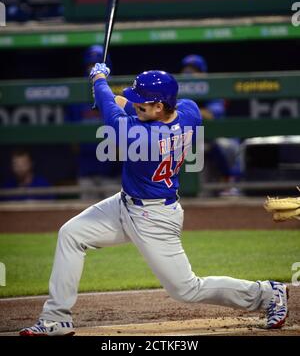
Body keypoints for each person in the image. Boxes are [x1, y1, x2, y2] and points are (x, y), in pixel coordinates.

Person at [20, 64, 288, 336]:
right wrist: (115, 101)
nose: (137, 106)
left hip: (154, 218)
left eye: (143, 104)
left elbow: (115, 117)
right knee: (71, 234)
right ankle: (56, 319)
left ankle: (267, 294)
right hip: (124, 204)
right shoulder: (189, 112)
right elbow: (129, 108)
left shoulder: (142, 137)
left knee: (186, 289)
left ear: (159, 106)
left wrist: (99, 82)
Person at [65, 45, 122, 200]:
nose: (92, 69)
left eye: (95, 65)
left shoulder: (118, 96)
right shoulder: (76, 97)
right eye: (90, 65)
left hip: (113, 171)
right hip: (86, 169)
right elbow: (72, 137)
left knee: (115, 219)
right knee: (88, 221)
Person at [181, 54, 241, 196]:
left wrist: (187, 111)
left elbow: (212, 114)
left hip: (210, 137)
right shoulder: (178, 88)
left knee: (226, 146)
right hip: (184, 137)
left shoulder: (212, 87)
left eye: (194, 69)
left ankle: (227, 182)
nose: (189, 73)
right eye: (186, 69)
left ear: (202, 73)